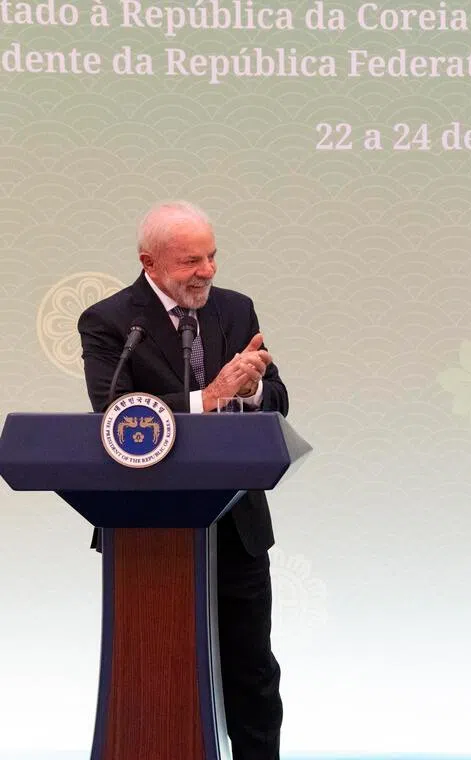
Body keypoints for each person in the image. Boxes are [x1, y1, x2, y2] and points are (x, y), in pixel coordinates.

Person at [78, 201, 287, 760]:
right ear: (148, 262)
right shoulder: (109, 322)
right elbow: (116, 413)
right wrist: (210, 396)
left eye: (212, 257)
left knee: (252, 672)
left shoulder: (236, 310)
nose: (207, 271)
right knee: (155, 672)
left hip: (236, 525)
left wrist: (252, 389)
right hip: (146, 531)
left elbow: (278, 399)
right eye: (191, 261)